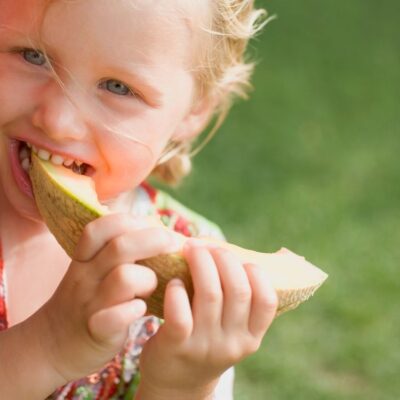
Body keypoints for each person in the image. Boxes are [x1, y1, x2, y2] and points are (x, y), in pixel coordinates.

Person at [0, 0, 278, 398]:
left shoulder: (193, 274)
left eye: (118, 87)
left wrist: (181, 385)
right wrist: (45, 346)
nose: (58, 121)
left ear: (194, 111)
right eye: (33, 56)